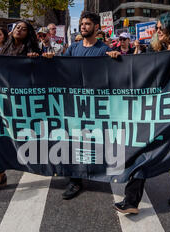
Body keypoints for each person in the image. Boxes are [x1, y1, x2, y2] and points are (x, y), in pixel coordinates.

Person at [113, 12, 170, 214]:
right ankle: (131, 200)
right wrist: (117, 58)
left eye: (161, 28)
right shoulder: (154, 50)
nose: (157, 31)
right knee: (142, 150)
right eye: (157, 28)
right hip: (153, 112)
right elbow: (136, 71)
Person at [0, 20, 41, 194]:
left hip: (24, 102)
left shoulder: (33, 50)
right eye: (17, 27)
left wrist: (37, 60)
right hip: (3, 100)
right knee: (1, 136)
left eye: (24, 28)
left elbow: (41, 72)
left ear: (29, 34)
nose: (19, 30)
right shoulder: (0, 49)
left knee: (30, 138)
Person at [62, 11, 114, 200]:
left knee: (91, 139)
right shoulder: (73, 48)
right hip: (74, 103)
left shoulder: (103, 49)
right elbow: (61, 67)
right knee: (74, 139)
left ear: (96, 27)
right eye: (82, 24)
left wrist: (115, 58)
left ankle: (93, 170)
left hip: (94, 104)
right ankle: (75, 179)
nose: (83, 26)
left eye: (88, 24)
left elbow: (112, 72)